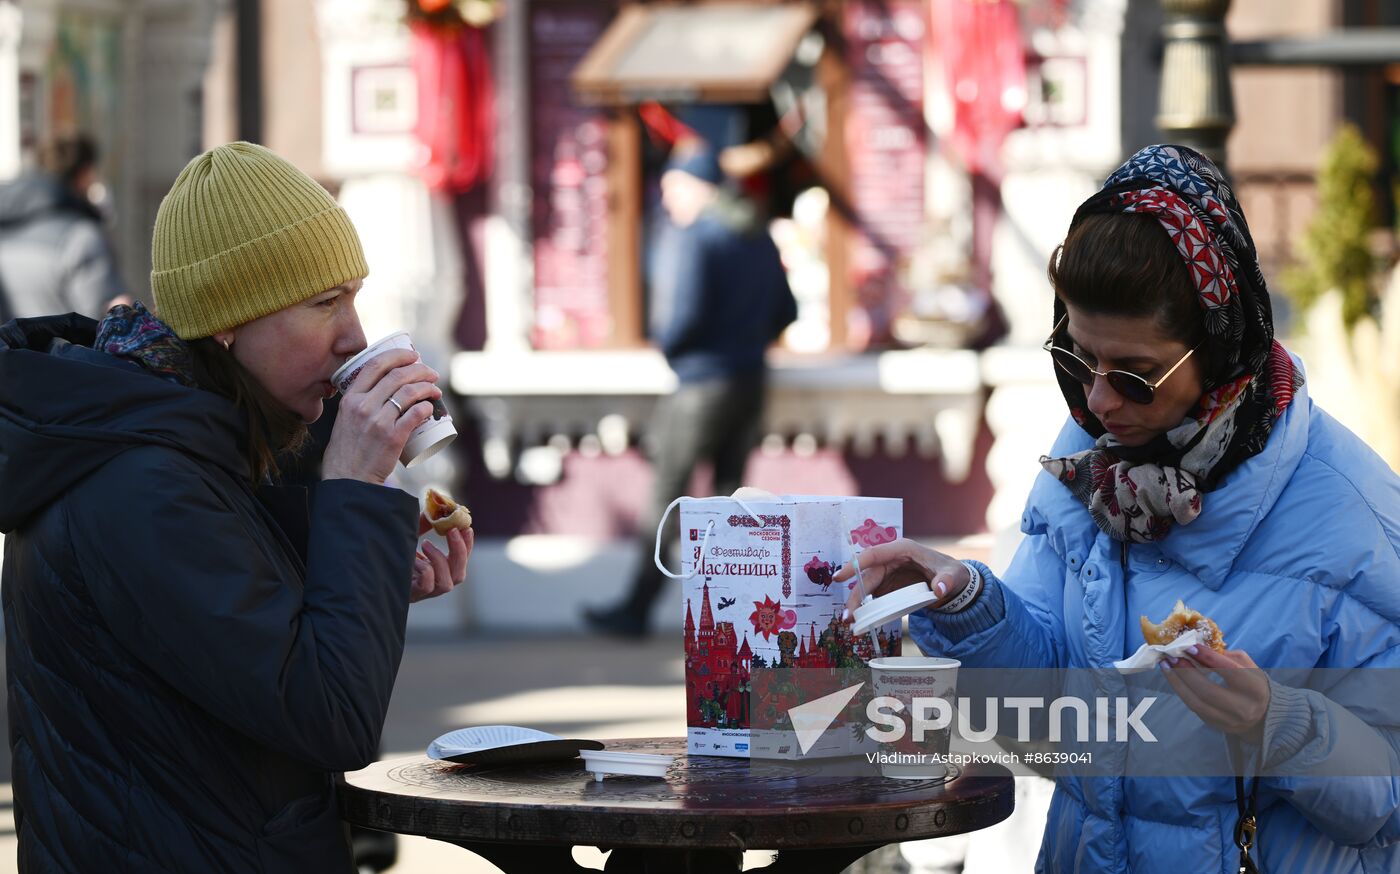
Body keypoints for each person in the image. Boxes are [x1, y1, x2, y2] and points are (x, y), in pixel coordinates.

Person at [839, 145, 1400, 872]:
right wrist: (969, 605)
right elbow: (1051, 732)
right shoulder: (1087, 461)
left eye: (1135, 376)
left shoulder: (1353, 514)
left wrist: (1277, 724)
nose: (1099, 402)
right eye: (1077, 360)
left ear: (1222, 343)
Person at [0, 141, 472, 872]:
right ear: (226, 320)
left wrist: (364, 565)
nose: (354, 335)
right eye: (324, 303)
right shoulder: (141, 479)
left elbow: (236, 651)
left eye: (353, 297)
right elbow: (327, 715)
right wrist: (350, 487)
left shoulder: (174, 442)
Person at [585, 144, 797, 638]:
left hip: (701, 382)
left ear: (697, 187)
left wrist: (675, 349)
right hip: (751, 381)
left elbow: (681, 317)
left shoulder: (698, 237)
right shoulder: (757, 234)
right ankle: (734, 613)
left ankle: (637, 608)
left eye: (672, 187)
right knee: (729, 502)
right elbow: (788, 312)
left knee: (668, 496)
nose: (666, 198)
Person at [0, 133, 130, 320]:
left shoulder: (7, 229)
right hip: (59, 348)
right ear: (85, 174)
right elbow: (101, 323)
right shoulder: (82, 238)